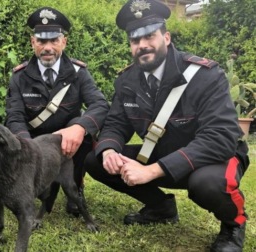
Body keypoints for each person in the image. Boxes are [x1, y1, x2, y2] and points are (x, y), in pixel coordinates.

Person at [84, 0, 249, 251]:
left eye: (149, 36)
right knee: (95, 160)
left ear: (167, 37)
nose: (142, 46)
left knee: (207, 184)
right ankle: (161, 208)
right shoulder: (127, 80)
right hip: (164, 152)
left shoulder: (204, 75)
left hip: (213, 158)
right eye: (135, 40)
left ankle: (233, 226)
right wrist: (109, 150)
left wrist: (152, 171)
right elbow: (116, 122)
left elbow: (220, 137)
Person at [5, 7, 109, 216]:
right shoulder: (19, 76)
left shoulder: (79, 73)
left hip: (69, 141)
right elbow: (14, 117)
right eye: (42, 41)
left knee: (85, 137)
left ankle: (75, 187)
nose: (48, 47)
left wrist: (80, 127)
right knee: (37, 194)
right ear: (33, 42)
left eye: (54, 40)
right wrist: (29, 146)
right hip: (36, 142)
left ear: (64, 42)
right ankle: (40, 184)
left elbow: (100, 104)